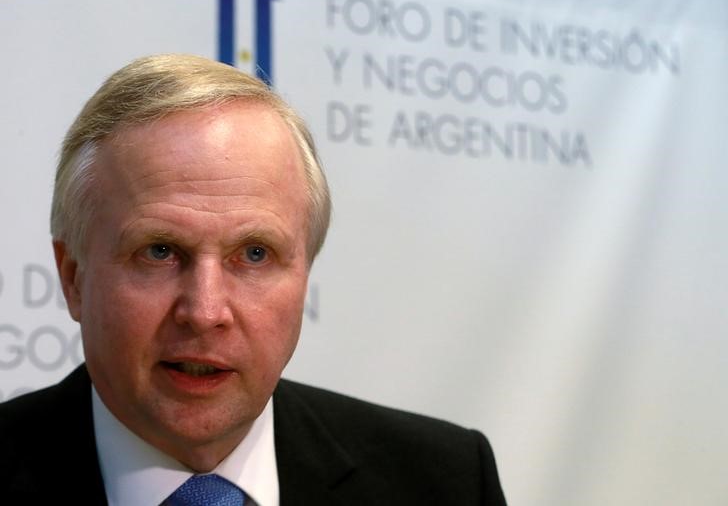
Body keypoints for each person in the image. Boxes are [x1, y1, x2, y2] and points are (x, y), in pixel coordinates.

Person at [0, 54, 506, 505]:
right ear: (73, 278)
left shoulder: (447, 480)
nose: (204, 311)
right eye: (159, 251)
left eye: (255, 254)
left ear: (305, 272)